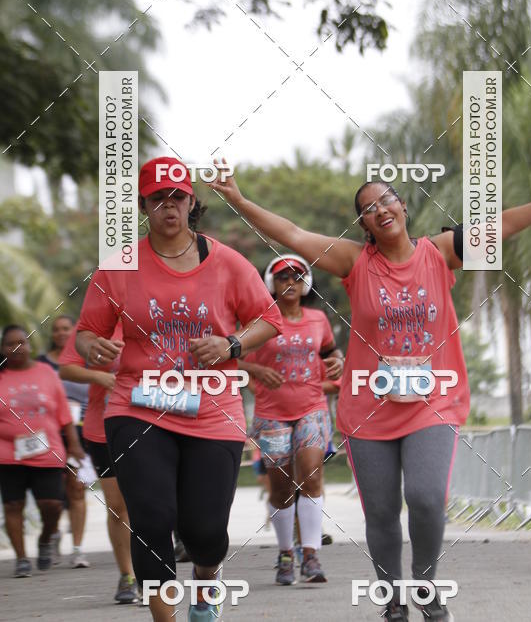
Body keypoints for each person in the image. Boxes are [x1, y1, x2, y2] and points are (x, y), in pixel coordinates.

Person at [210, 154, 531, 621]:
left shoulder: (439, 252)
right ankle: (392, 598)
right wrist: (239, 199)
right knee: (382, 512)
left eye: (386, 200)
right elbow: (292, 233)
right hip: (369, 406)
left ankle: (426, 586)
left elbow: (499, 228)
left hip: (433, 400)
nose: (380, 209)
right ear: (364, 224)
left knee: (427, 499)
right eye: (368, 208)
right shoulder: (354, 261)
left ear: (403, 206)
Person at [74, 156, 282, 622]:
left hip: (213, 411)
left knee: (204, 531)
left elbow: (268, 319)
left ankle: (207, 584)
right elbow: (87, 332)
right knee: (150, 520)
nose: (168, 207)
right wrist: (93, 348)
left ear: (191, 203)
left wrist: (231, 344)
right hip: (138, 406)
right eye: (158, 199)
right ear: (143, 205)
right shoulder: (120, 266)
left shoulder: (227, 262)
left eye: (177, 198)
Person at [239, 254, 343, 586]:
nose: (290, 283)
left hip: (312, 407)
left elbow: (330, 352)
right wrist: (256, 370)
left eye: (297, 277)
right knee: (281, 487)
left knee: (311, 475)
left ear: (306, 283)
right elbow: (229, 357)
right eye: (283, 277)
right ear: (271, 284)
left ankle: (310, 555)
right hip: (272, 414)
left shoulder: (318, 319)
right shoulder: (260, 322)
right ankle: (286, 553)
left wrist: (338, 361)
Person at [59, 322, 139, 603]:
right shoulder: (95, 325)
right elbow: (66, 368)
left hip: (152, 425)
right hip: (103, 429)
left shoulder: (155, 314)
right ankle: (127, 575)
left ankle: (154, 573)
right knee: (118, 507)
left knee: (151, 504)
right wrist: (100, 377)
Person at [0, 324, 85, 577]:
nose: (16, 348)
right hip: (8, 453)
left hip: (47, 451)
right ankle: (22, 558)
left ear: (29, 345)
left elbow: (64, 414)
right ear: (2, 349)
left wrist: (74, 445)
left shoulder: (46, 372)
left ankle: (46, 538)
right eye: (10, 344)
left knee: (53, 505)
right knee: (13, 505)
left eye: (21, 342)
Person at [38, 314, 90, 568]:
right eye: (56, 329)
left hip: (80, 431)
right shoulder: (42, 364)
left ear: (74, 332)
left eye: (66, 328)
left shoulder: (88, 361)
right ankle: (53, 532)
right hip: (50, 433)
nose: (61, 333)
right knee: (52, 492)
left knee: (77, 487)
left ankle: (77, 549)